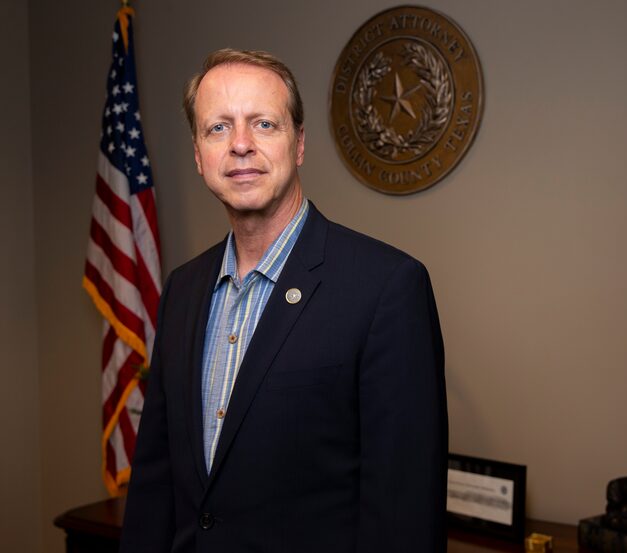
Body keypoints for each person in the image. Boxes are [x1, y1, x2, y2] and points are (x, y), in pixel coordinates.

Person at [119, 48, 448, 553]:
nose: (241, 146)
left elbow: (403, 517)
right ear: (198, 154)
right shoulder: (182, 290)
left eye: (264, 124)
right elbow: (155, 489)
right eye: (218, 128)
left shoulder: (386, 288)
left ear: (298, 144)